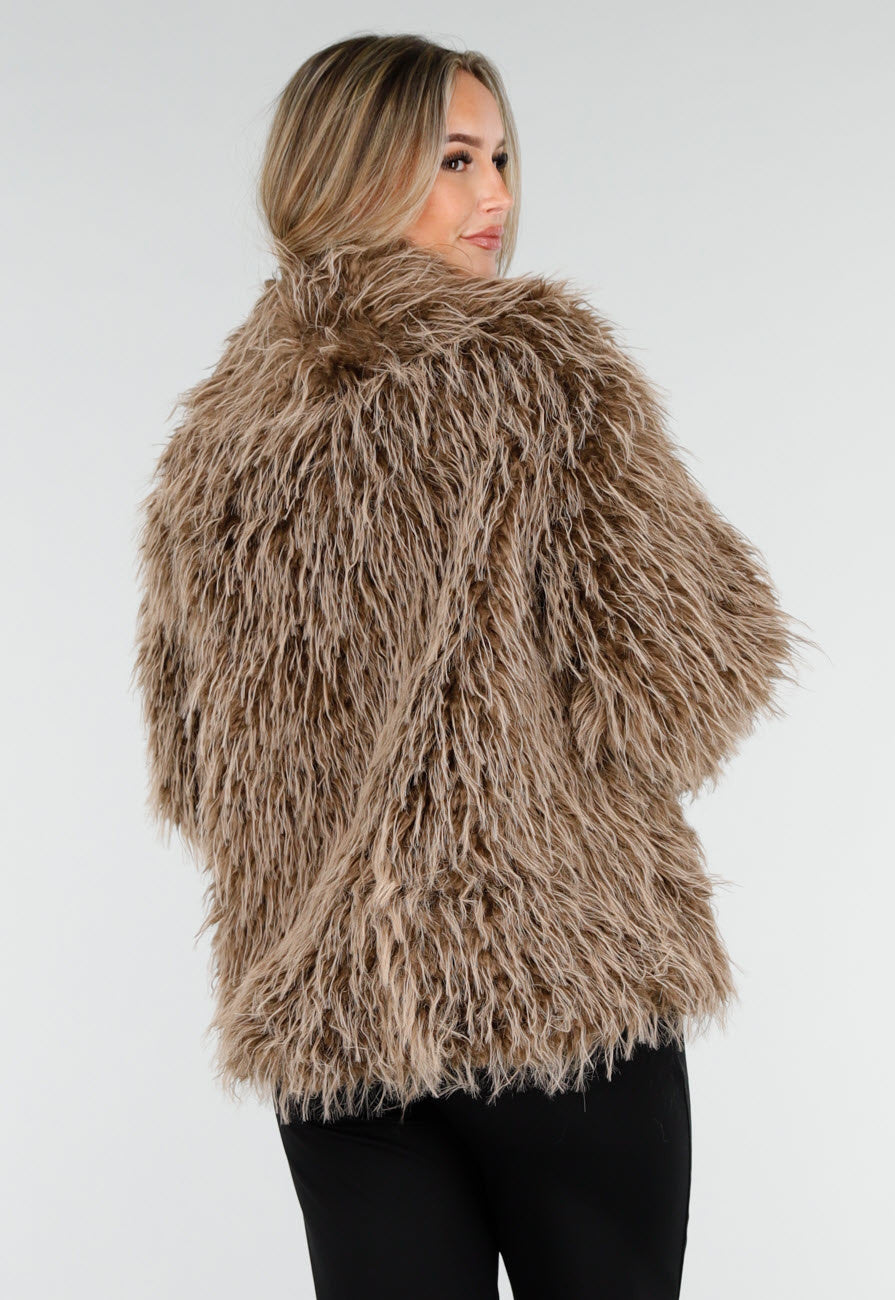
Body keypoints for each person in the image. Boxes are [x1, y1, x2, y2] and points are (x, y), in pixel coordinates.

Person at [133, 33, 814, 1300]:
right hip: (557, 994)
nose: (495, 193)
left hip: (333, 1022)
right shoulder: (540, 369)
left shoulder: (215, 440)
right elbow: (690, 672)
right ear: (350, 167)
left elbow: (187, 764)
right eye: (454, 160)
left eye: (499, 157)